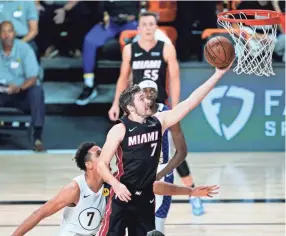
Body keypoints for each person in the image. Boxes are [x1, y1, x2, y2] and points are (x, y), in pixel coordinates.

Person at [97, 59, 233, 236]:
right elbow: (101, 165)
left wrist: (218, 74)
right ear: (130, 107)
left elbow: (191, 102)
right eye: (141, 98)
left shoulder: (159, 122)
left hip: (146, 199)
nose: (147, 100)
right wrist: (116, 185)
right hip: (122, 197)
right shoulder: (119, 129)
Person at [11, 142, 219, 236]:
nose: (106, 154)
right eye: (100, 153)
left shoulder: (115, 182)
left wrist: (190, 191)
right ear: (90, 165)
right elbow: (39, 213)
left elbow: (153, 187)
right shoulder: (75, 188)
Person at [110, 11, 204, 216]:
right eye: (144, 24)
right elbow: (123, 77)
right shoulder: (130, 50)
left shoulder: (166, 47)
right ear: (139, 27)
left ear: (156, 26)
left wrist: (177, 106)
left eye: (152, 24)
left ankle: (193, 193)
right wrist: (116, 103)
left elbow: (175, 78)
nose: (148, 28)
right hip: (136, 111)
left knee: (169, 153)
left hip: (159, 108)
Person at [76, 1, 140, 106]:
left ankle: (135, 87)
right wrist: (104, 17)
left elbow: (144, 7)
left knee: (137, 43)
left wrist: (134, 16)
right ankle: (89, 85)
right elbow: (101, 7)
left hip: (131, 23)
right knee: (89, 40)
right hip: (111, 22)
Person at [0, 21, 45, 151]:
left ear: (14, 33)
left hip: (21, 92)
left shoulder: (24, 49)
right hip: (1, 91)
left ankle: (37, 138)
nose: (6, 35)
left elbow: (32, 77)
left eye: (9, 31)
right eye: (3, 31)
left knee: (37, 91)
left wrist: (19, 88)